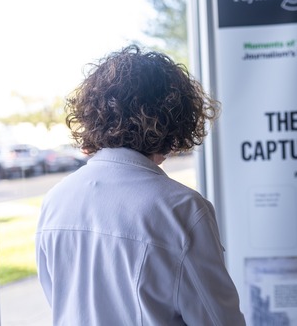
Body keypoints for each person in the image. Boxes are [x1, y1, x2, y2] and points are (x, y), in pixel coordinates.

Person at [35, 45, 246, 326]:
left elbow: (59, 299)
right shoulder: (182, 210)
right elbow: (219, 320)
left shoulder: (55, 200)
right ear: (175, 120)